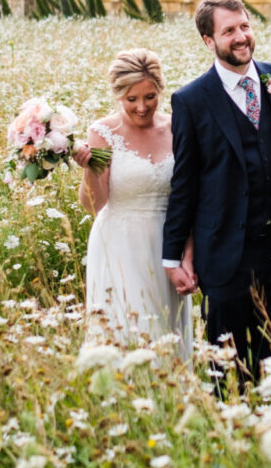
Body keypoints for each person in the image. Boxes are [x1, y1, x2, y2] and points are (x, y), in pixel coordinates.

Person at [162, 0, 271, 384]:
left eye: (245, 26)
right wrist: (172, 256)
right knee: (228, 368)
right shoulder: (191, 100)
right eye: (229, 30)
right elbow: (184, 182)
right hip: (224, 255)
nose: (241, 37)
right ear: (208, 41)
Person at [75, 49, 193, 361]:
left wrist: (188, 254)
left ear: (161, 90)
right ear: (118, 96)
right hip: (119, 245)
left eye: (150, 96)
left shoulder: (177, 127)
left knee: (168, 334)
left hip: (169, 245)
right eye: (131, 100)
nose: (142, 107)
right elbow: (94, 204)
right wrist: (89, 166)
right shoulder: (102, 132)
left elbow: (190, 194)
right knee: (127, 331)